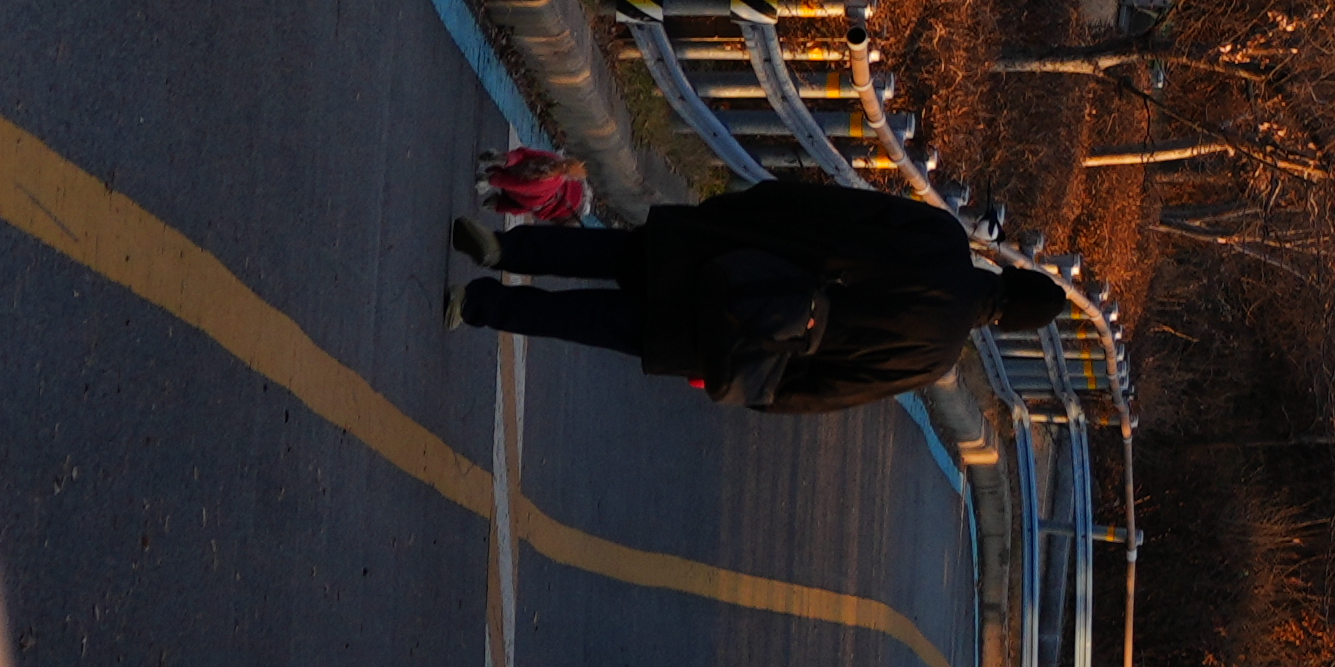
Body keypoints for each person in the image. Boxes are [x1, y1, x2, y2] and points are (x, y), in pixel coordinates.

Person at [459, 173, 1074, 415]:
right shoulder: (933, 358)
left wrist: (748, 206)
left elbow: (833, 204)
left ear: (1008, 276)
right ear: (1005, 326)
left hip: (747, 250)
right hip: (745, 336)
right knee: (602, 323)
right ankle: (479, 306)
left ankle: (506, 248)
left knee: (620, 255)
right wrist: (752, 389)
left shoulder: (940, 238)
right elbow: (830, 392)